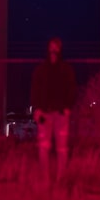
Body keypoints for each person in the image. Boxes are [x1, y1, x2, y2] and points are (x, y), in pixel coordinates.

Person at [30, 36, 78, 185]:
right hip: (45, 113)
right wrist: (37, 109)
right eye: (51, 48)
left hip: (61, 114)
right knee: (43, 148)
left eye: (56, 48)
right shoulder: (41, 70)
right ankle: (45, 180)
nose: (53, 51)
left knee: (62, 149)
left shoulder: (66, 69)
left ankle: (61, 180)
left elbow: (72, 89)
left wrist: (68, 107)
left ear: (60, 50)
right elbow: (34, 90)